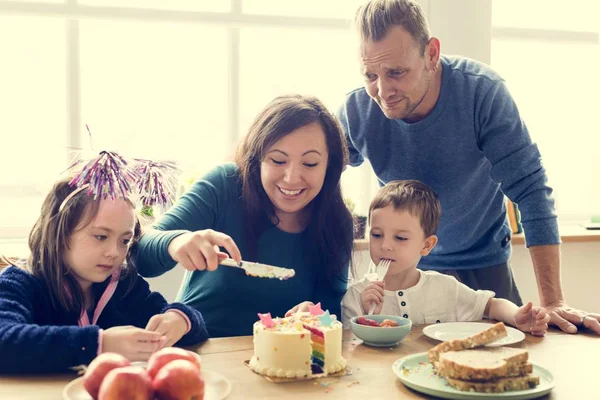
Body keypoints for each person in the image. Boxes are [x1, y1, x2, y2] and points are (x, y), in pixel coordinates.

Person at [337, 0, 599, 334]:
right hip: (406, 264)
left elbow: (531, 190)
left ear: (431, 54)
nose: (383, 91)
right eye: (371, 75)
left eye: (397, 73)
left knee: (506, 361)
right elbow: (317, 171)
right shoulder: (358, 108)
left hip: (482, 261)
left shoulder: (482, 93)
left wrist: (553, 300)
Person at [133, 94, 355, 337]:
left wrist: (317, 316)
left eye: (310, 163)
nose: (291, 178)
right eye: (278, 160)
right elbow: (141, 257)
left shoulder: (337, 223)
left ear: (329, 167)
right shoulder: (225, 184)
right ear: (257, 159)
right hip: (198, 350)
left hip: (281, 363)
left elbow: (330, 312)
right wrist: (174, 242)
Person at [0, 177, 209, 374]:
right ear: (59, 233)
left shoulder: (124, 283)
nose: (114, 252)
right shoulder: (20, 282)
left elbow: (194, 327)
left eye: (124, 240)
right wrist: (101, 344)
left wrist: (179, 319)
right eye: (101, 236)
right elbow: (5, 340)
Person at [342, 180, 551, 336]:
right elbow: (351, 353)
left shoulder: (444, 288)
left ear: (426, 245)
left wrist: (516, 316)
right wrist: (367, 318)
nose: (385, 245)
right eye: (376, 235)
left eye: (400, 237)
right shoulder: (355, 297)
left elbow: (491, 306)